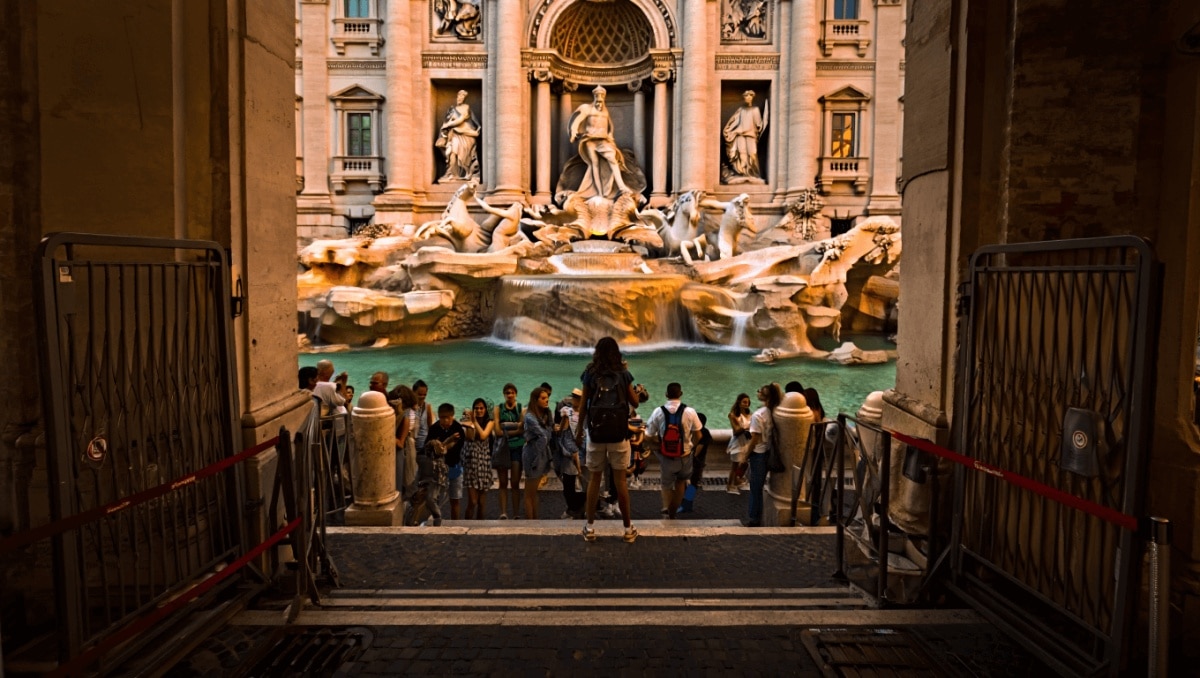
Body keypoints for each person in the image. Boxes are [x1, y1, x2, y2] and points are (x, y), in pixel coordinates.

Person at [576, 336, 640, 543]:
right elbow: (635, 402)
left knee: (595, 480)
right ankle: (628, 529)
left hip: (596, 434)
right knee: (620, 481)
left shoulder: (590, 373)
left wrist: (579, 430)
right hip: (619, 435)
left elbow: (584, 403)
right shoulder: (623, 373)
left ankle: (590, 527)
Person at [644, 382, 702, 519]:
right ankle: (673, 512)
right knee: (681, 482)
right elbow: (699, 435)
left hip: (667, 456)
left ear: (666, 395)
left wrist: (658, 445)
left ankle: (666, 508)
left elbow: (648, 435)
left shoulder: (658, 411)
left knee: (666, 484)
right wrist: (690, 446)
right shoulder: (690, 412)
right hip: (685, 455)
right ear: (680, 394)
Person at [568, 86, 631, 199]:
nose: (600, 103)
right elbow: (578, 120)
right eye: (598, 99)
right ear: (595, 97)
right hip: (590, 140)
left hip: (603, 140)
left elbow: (610, 124)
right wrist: (573, 131)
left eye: (602, 99)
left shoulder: (605, 110)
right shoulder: (587, 108)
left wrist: (611, 133)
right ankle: (600, 193)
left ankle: (621, 187)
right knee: (595, 165)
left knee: (612, 158)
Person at [745, 382, 783, 527]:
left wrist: (745, 456)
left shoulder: (758, 415)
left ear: (763, 396)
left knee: (755, 488)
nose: (757, 392)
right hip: (771, 452)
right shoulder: (776, 411)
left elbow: (755, 439)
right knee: (760, 486)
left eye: (759, 390)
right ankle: (756, 516)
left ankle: (754, 518)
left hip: (758, 454)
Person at [426, 403, 466, 520]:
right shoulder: (434, 429)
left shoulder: (458, 429)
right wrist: (447, 442)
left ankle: (455, 522)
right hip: (438, 470)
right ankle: (436, 521)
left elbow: (455, 448)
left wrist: (442, 446)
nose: (444, 420)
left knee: (455, 499)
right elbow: (429, 449)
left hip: (455, 467)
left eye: (447, 417)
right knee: (436, 499)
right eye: (441, 417)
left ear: (452, 416)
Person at [522, 387, 555, 519]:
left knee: (531, 492)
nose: (546, 401)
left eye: (547, 398)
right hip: (536, 454)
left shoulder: (542, 415)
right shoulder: (531, 416)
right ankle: (532, 521)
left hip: (536, 453)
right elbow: (546, 435)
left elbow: (547, 434)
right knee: (531, 492)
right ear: (535, 400)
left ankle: (533, 521)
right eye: (543, 398)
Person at [493, 383, 524, 520]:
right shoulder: (498, 409)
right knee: (503, 482)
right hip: (503, 448)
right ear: (504, 394)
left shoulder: (521, 409)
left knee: (516, 482)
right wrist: (515, 428)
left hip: (517, 447)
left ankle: (516, 513)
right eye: (507, 393)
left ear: (516, 394)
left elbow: (522, 429)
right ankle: (503, 512)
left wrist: (505, 427)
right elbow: (497, 431)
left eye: (512, 392)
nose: (509, 395)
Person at [462, 397, 495, 520]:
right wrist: (470, 422)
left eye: (481, 408)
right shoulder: (468, 422)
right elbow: (469, 437)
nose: (479, 410)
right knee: (473, 501)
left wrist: (474, 421)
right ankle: (468, 524)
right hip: (471, 462)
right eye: (476, 408)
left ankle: (480, 526)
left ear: (486, 409)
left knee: (482, 503)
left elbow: (483, 435)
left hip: (484, 462)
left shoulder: (490, 422)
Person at [436, 90, 480, 182]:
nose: (459, 99)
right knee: (452, 153)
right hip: (455, 134)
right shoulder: (453, 109)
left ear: (464, 98)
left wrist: (478, 126)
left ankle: (467, 173)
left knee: (466, 157)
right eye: (458, 97)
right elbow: (447, 121)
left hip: (467, 135)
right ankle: (452, 174)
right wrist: (445, 128)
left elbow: (467, 119)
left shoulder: (466, 107)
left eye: (461, 97)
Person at [722, 90, 766, 181]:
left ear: (752, 97)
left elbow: (759, 123)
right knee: (742, 154)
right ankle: (742, 174)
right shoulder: (741, 110)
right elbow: (733, 121)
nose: (747, 98)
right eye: (746, 96)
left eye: (749, 96)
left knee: (752, 154)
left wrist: (761, 126)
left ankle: (753, 174)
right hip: (740, 135)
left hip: (751, 135)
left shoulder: (755, 109)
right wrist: (729, 130)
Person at [556, 388, 585, 519]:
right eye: (574, 397)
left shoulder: (585, 413)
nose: (575, 399)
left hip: (582, 450)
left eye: (578, 397)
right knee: (568, 484)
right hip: (569, 451)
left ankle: (576, 509)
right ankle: (573, 508)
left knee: (580, 484)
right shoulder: (566, 412)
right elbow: (561, 431)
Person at [389, 385, 419, 500]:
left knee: (398, 486)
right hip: (396, 453)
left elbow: (401, 442)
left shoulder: (406, 415)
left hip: (400, 454)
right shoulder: (401, 414)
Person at [679, 413, 712, 514]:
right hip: (698, 462)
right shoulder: (706, 432)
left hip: (694, 462)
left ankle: (686, 505)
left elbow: (698, 449)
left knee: (689, 483)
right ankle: (686, 504)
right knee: (692, 484)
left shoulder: (700, 433)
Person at [726, 393, 752, 494]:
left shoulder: (750, 414)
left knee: (745, 464)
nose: (746, 404)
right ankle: (729, 485)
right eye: (744, 402)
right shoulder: (733, 415)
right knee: (735, 466)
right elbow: (736, 430)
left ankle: (737, 480)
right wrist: (747, 428)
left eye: (748, 402)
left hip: (747, 443)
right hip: (738, 443)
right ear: (739, 402)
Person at [413, 380, 434, 456]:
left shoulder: (428, 407)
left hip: (424, 444)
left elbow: (430, 426)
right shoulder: (409, 408)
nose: (422, 397)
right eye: (419, 394)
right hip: (412, 444)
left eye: (424, 395)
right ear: (413, 392)